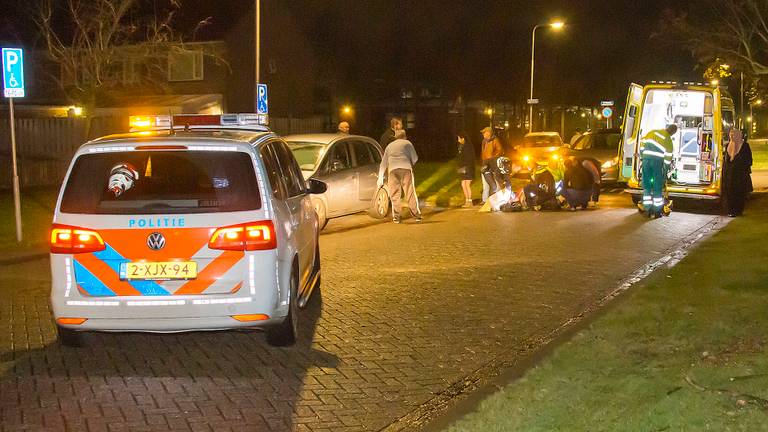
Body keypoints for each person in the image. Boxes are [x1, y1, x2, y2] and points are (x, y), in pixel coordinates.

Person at [377, 129, 421, 223]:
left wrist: (380, 177)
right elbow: (415, 159)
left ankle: (396, 217)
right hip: (405, 169)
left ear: (395, 137)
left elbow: (383, 163)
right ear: (404, 136)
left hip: (393, 171)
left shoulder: (389, 146)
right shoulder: (407, 143)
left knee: (395, 194)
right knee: (409, 192)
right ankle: (416, 215)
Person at [639, 124, 676, 218]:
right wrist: (664, 172)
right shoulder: (668, 140)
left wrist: (642, 156)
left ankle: (647, 208)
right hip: (657, 163)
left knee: (647, 185)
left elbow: (642, 144)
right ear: (672, 133)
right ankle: (657, 211)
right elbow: (667, 160)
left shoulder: (651, 132)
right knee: (657, 187)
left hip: (646, 161)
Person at [722, 128, 753, 217]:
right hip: (729, 176)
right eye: (730, 134)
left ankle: (738, 211)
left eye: (733, 134)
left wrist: (739, 163)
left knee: (739, 193)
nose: (731, 136)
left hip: (740, 176)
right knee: (729, 193)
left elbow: (749, 160)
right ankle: (730, 210)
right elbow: (726, 161)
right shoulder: (728, 145)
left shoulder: (745, 146)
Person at [480, 127, 503, 202]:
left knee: (496, 182)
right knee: (485, 183)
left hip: (493, 164)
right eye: (483, 133)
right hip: (485, 164)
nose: (483, 134)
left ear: (489, 133)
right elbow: (483, 153)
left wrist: (493, 159)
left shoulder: (495, 140)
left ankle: (499, 198)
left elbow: (500, 150)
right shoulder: (484, 141)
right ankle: (485, 200)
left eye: (484, 132)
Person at [456, 132, 475, 208]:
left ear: (463, 138)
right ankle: (467, 200)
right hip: (462, 168)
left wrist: (466, 167)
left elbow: (469, 158)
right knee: (463, 184)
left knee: (467, 184)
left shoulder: (468, 147)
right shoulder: (461, 146)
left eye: (459, 138)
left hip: (468, 168)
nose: (458, 140)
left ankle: (470, 201)